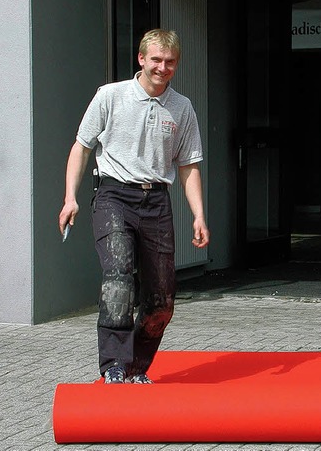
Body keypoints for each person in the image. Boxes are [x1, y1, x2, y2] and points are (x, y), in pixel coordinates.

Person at [58, 29, 210, 384]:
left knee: (161, 304)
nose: (162, 68)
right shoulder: (111, 96)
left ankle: (135, 367)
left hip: (156, 200)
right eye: (156, 60)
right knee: (119, 280)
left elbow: (188, 166)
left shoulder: (182, 107)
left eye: (170, 62)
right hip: (114, 196)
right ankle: (113, 364)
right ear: (141, 59)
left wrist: (199, 215)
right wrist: (70, 197)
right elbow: (81, 147)